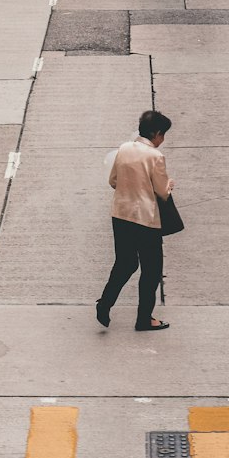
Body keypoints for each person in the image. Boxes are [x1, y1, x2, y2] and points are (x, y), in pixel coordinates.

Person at [96, 109, 174, 332]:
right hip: (146, 219)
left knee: (125, 263)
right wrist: (169, 185)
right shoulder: (155, 157)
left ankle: (105, 303)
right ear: (157, 133)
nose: (163, 140)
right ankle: (144, 318)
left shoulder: (124, 148)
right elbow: (161, 191)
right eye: (163, 135)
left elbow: (113, 181)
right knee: (151, 269)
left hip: (121, 215)